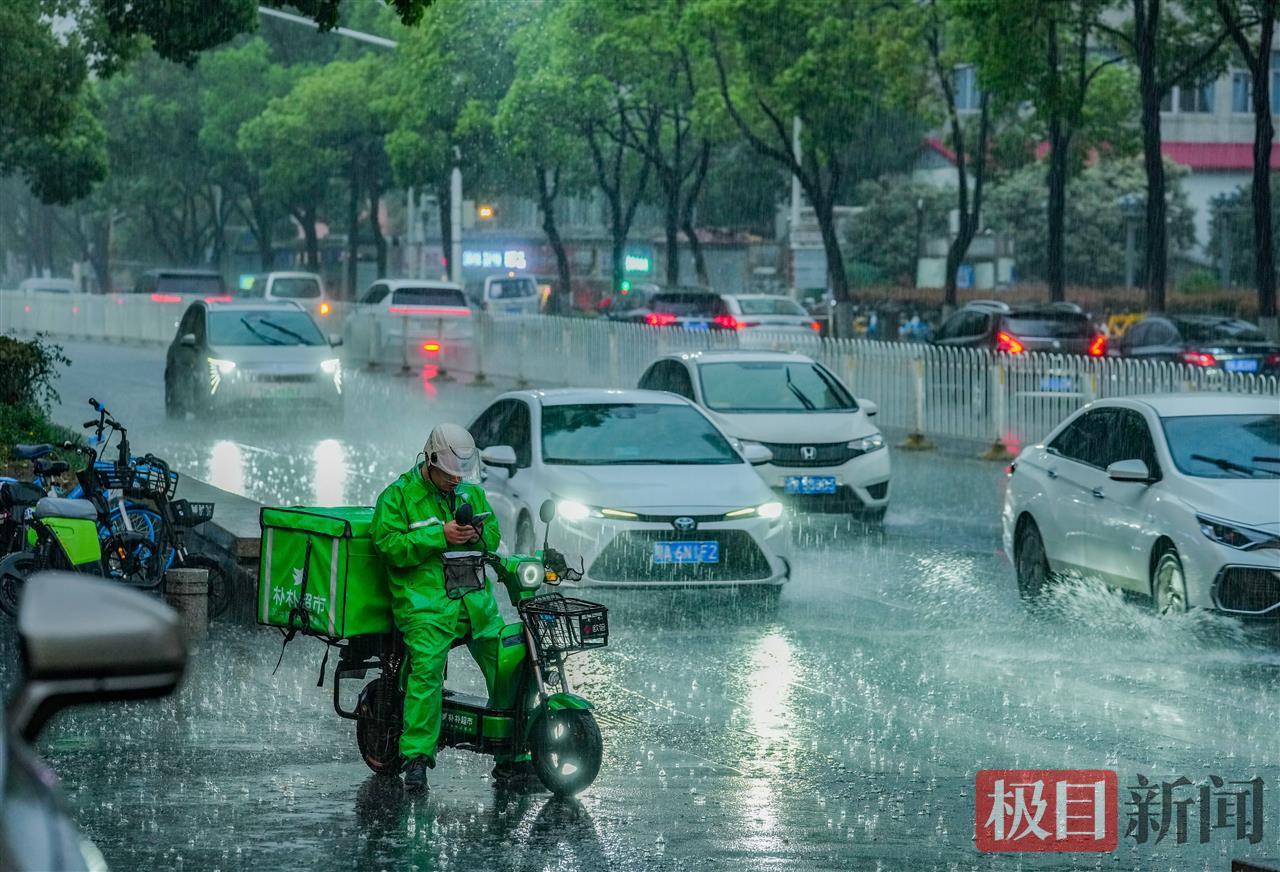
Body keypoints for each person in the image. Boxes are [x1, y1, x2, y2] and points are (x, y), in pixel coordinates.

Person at [370, 423, 534, 791]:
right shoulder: (397, 497)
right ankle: (415, 758)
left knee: (509, 661)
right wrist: (438, 535)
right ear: (430, 460)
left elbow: (493, 538)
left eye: (461, 473)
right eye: (449, 473)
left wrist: (479, 534)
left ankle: (512, 757)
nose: (455, 481)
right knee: (426, 672)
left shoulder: (470, 493)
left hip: (473, 601)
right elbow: (388, 547)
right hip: (424, 604)